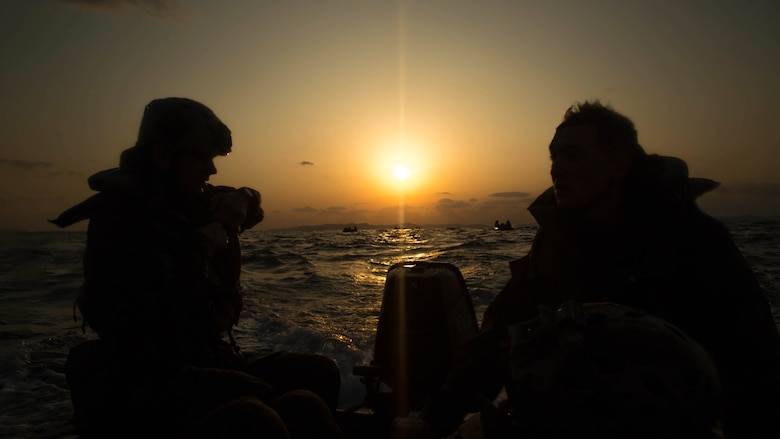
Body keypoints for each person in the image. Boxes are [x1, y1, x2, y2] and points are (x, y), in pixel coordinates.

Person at [393, 100, 780, 438]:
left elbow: (754, 363)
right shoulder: (554, 246)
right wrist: (434, 420)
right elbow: (498, 339)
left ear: (618, 166)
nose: (556, 169)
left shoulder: (695, 243)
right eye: (553, 156)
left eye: (573, 155)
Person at [50, 97, 344, 439]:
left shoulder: (191, 198)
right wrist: (201, 246)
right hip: (143, 373)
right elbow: (159, 316)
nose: (212, 170)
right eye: (203, 158)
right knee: (257, 409)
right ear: (163, 155)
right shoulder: (120, 222)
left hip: (201, 356)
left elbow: (253, 208)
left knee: (318, 375)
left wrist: (244, 197)